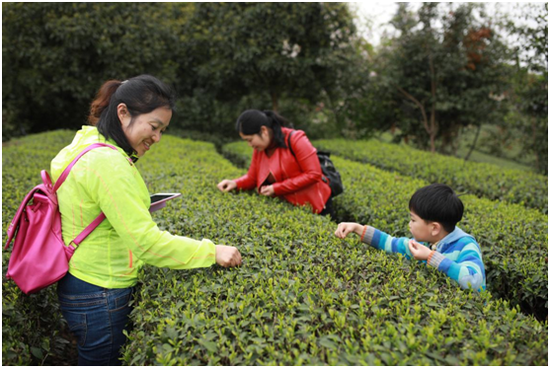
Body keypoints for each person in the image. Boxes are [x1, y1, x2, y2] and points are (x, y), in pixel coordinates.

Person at [51, 75, 242, 365]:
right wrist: (212, 251)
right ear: (123, 112)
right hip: (101, 290)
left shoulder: (85, 145)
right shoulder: (108, 163)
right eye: (154, 127)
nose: (157, 138)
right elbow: (145, 243)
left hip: (82, 280)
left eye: (162, 130)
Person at [334, 183, 486, 291]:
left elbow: (474, 281)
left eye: (413, 220)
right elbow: (391, 243)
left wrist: (431, 257)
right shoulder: (426, 242)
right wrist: (357, 228)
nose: (409, 224)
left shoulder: (466, 246)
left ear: (434, 228)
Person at [217, 109, 333, 216]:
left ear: (263, 130)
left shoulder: (295, 139)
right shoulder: (260, 149)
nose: (250, 144)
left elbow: (314, 173)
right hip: (290, 208)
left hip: (316, 206)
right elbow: (252, 178)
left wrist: (276, 188)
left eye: (250, 139)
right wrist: (235, 183)